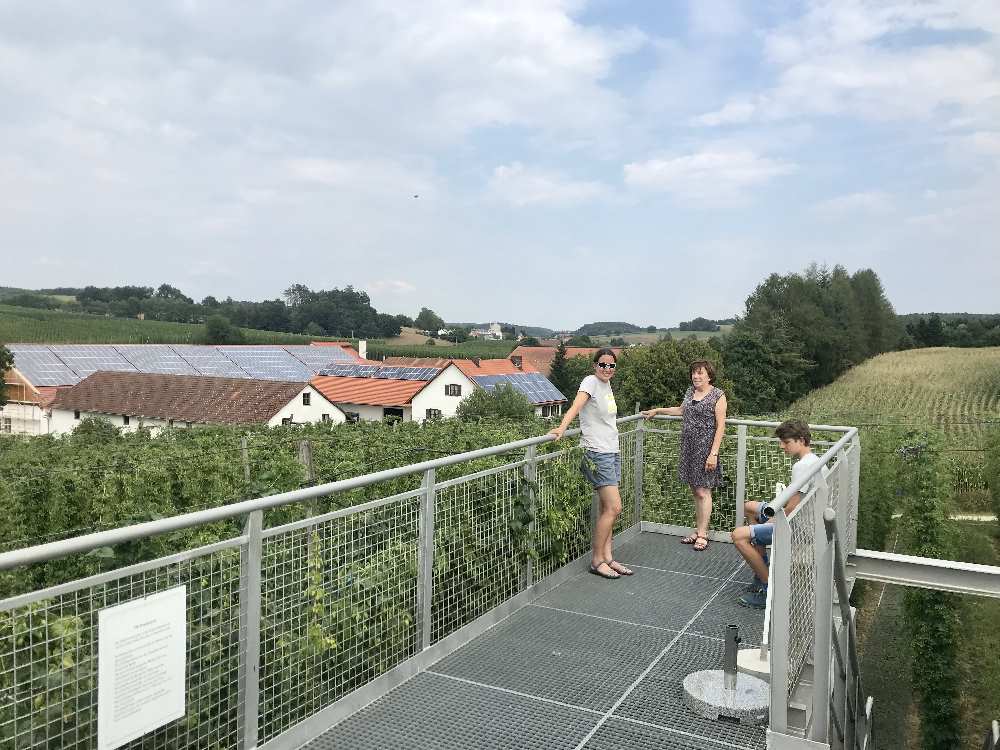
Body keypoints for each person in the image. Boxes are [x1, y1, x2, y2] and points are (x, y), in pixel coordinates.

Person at [548, 349, 633, 579]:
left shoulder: (606, 386)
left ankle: (608, 557)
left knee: (608, 508)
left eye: (611, 366)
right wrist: (562, 428)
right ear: (595, 365)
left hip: (611, 450)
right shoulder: (590, 382)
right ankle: (597, 560)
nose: (607, 369)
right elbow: (576, 406)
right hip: (596, 452)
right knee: (615, 507)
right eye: (603, 364)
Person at [732, 419, 821, 609]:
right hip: (804, 518)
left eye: (786, 442)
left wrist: (767, 522)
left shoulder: (802, 467)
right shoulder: (813, 459)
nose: (782, 446)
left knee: (738, 536)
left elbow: (791, 509)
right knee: (749, 507)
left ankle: (768, 589)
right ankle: (761, 570)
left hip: (799, 527)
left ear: (801, 440)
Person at [641, 360, 727, 551]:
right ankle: (698, 530)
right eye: (694, 373)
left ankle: (703, 534)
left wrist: (713, 454)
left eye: (700, 373)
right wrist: (657, 410)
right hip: (689, 447)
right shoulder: (690, 392)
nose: (696, 377)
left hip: (706, 449)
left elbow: (721, 425)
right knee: (695, 491)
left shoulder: (718, 395)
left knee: (704, 491)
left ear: (709, 375)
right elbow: (681, 410)